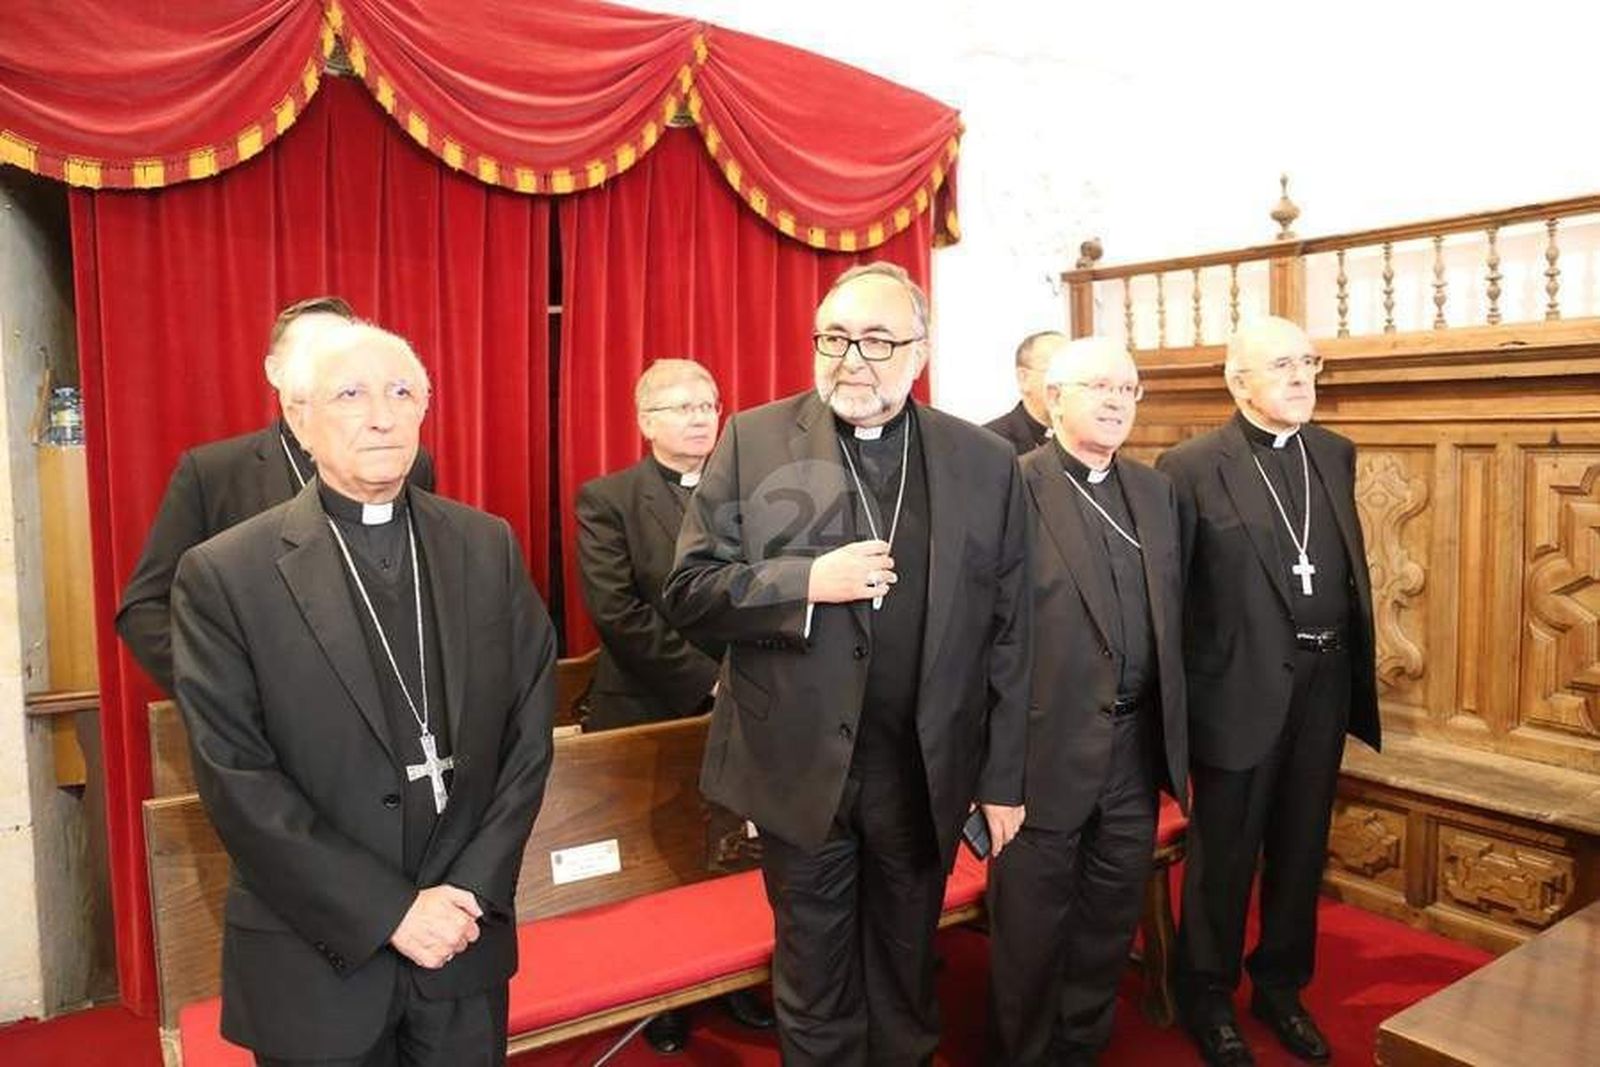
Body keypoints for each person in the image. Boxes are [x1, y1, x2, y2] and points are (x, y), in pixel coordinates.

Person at [662, 261, 1030, 1065]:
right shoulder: (754, 440)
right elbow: (688, 590)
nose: (850, 359)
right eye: (834, 338)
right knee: (814, 975)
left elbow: (1011, 628)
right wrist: (804, 585)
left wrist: (1004, 777)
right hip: (800, 771)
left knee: (906, 972)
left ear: (919, 351)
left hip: (923, 769)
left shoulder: (983, 461)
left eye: (875, 340)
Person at [170, 322, 555, 1066]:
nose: (381, 414)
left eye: (401, 392)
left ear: (424, 411)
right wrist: (391, 912)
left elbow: (529, 731)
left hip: (463, 946)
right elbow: (238, 780)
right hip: (317, 960)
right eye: (350, 394)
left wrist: (469, 890)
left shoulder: (486, 546)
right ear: (300, 419)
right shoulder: (226, 573)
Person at [1157, 316, 1379, 1066]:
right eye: (1280, 364)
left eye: (1308, 362)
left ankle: (1281, 985)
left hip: (1324, 682)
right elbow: (1176, 595)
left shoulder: (1333, 452)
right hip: (1237, 689)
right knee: (1225, 854)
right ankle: (1206, 993)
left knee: (1300, 846)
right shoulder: (1188, 465)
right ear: (1237, 379)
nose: (1300, 377)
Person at [987, 336, 1188, 1066]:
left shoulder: (1155, 491)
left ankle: (1080, 1048)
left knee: (1108, 918)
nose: (1114, 401)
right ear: (1053, 397)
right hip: (1043, 755)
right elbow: (984, 642)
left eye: (1127, 389)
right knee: (1030, 932)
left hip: (1133, 748)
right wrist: (995, 778)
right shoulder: (1011, 485)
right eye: (1097, 386)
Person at [574, 358, 775, 1049]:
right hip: (650, 706)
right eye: (681, 406)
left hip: (750, 702)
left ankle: (740, 980)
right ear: (645, 421)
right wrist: (706, 679)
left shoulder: (749, 492)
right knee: (658, 865)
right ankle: (660, 996)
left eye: (708, 403)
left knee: (739, 851)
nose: (699, 417)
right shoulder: (609, 498)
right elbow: (616, 611)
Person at [117, 296, 435, 693]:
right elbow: (144, 611)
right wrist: (226, 692)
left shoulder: (401, 461)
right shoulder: (213, 473)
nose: (328, 365)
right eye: (313, 354)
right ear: (274, 371)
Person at [984, 330, 1067, 454]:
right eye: (1058, 372)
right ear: (1023, 378)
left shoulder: (1091, 435)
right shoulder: (990, 442)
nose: (1069, 382)